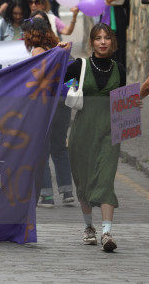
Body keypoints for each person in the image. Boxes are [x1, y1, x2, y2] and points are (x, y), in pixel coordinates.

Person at [66, 24, 127, 252]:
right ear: (91, 42)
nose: (103, 42)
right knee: (83, 181)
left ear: (113, 42)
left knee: (105, 180)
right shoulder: (80, 66)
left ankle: (107, 233)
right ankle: (88, 227)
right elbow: (56, 77)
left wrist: (133, 103)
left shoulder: (120, 69)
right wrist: (62, 51)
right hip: (82, 133)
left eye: (107, 38)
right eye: (98, 38)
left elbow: (121, 100)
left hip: (109, 132)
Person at [21, 16, 74, 209]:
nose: (23, 36)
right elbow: (73, 74)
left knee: (41, 147)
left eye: (25, 33)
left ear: (32, 34)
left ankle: (47, 196)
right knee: (60, 147)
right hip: (63, 102)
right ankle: (67, 192)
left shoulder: (37, 51)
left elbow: (39, 79)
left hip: (46, 102)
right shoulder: (60, 48)